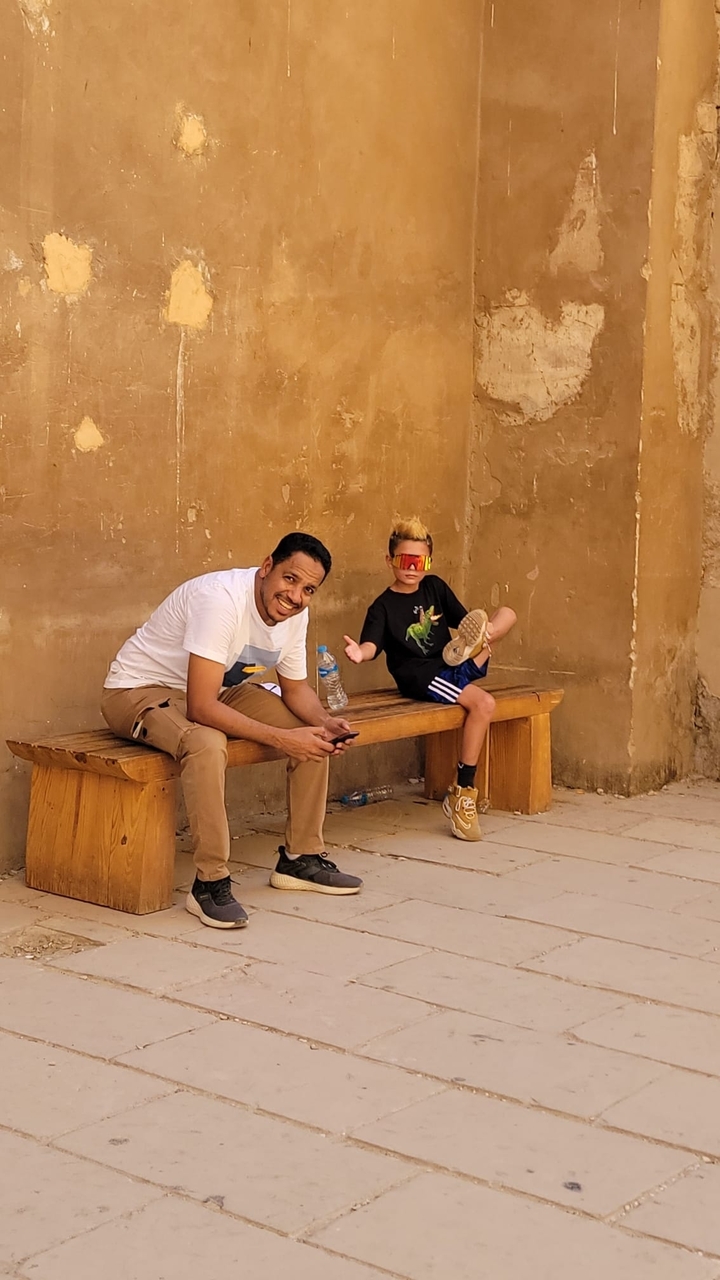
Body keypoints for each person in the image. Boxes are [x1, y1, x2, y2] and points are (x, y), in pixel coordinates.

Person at [102, 533, 362, 929]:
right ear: (266, 567)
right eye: (289, 579)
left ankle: (300, 859)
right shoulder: (220, 599)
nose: (295, 595)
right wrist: (281, 739)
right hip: (139, 691)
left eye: (308, 589)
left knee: (311, 731)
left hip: (218, 689)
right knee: (206, 742)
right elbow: (200, 708)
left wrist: (324, 723)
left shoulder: (295, 615)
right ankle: (209, 882)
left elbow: (295, 689)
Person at [344, 516, 516, 842]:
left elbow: (465, 621)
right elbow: (372, 645)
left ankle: (480, 645)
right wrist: (360, 653)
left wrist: (484, 634)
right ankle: (463, 791)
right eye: (404, 561)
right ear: (390, 561)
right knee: (484, 703)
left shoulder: (434, 587)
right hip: (419, 675)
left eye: (419, 561)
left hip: (447, 665)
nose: (411, 568)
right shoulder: (383, 606)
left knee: (508, 613)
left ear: (428, 562)